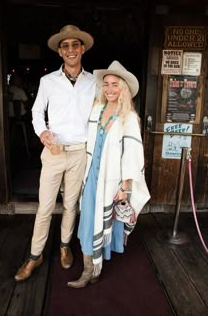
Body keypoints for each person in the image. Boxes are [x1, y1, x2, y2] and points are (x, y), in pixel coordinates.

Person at [14, 25, 96, 282]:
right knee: (46, 206)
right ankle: (35, 255)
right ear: (60, 52)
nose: (70, 50)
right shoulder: (48, 81)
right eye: (65, 46)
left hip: (80, 151)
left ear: (82, 49)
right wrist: (42, 133)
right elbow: (37, 112)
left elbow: (104, 111)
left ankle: (63, 246)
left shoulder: (94, 81)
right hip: (53, 151)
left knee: (71, 204)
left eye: (75, 45)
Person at [67, 60, 151, 288]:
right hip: (91, 176)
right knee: (87, 220)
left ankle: (92, 270)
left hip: (111, 179)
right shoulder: (97, 109)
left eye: (115, 84)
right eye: (106, 84)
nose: (110, 89)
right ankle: (89, 268)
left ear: (123, 88)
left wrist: (125, 186)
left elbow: (132, 153)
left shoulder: (129, 118)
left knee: (98, 220)